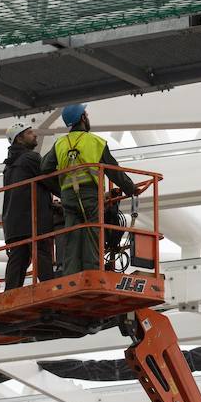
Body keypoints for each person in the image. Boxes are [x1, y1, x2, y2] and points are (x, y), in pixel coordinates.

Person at [41, 104, 138, 275]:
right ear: (83, 118)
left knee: (72, 236)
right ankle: (92, 274)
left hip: (69, 197)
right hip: (90, 196)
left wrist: (60, 190)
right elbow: (113, 170)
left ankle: (71, 275)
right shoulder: (95, 142)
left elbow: (45, 169)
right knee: (92, 234)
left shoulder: (60, 144)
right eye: (86, 114)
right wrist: (131, 189)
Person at [2, 122, 59, 291]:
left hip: (14, 222)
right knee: (41, 254)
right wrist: (71, 198)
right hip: (33, 220)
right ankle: (51, 290)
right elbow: (50, 181)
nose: (35, 135)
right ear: (19, 139)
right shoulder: (30, 158)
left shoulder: (9, 166)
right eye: (29, 133)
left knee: (18, 260)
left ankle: (9, 296)